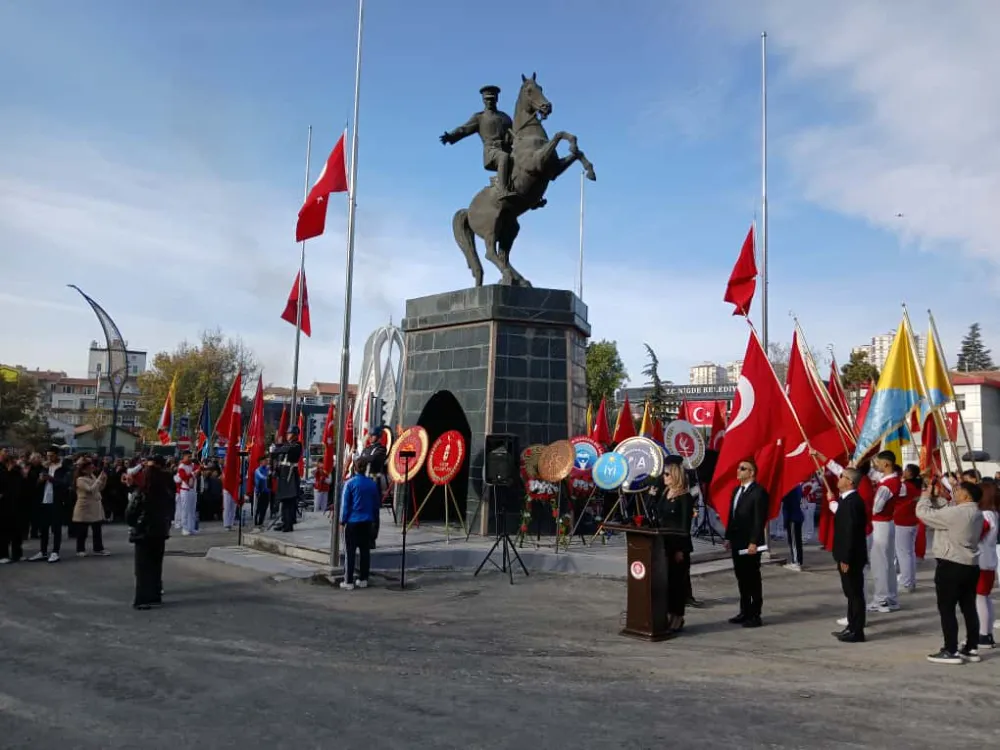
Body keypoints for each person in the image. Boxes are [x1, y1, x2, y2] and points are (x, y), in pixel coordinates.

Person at [918, 478, 984, 664]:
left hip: (951, 563)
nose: (954, 492)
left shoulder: (957, 513)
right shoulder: (975, 512)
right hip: (969, 565)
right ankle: (971, 647)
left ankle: (951, 649)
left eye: (957, 490)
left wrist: (924, 497)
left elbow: (923, 513)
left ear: (965, 495)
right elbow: (946, 510)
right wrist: (937, 498)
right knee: (968, 608)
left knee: (947, 609)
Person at [440, 85, 517, 201]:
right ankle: (502, 190)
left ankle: (535, 196)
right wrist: (451, 136)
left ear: (497, 99)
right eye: (487, 99)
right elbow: (464, 129)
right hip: (492, 152)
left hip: (507, 150)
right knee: (504, 157)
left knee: (525, 160)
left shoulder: (505, 117)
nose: (489, 101)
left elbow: (514, 135)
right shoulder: (479, 118)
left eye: (492, 98)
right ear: (483, 100)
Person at [126, 457, 175, 610]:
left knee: (142, 568)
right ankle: (155, 595)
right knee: (155, 565)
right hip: (160, 532)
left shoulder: (141, 492)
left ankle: (142, 598)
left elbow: (130, 514)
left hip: (143, 533)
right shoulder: (166, 493)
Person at [725, 458, 768, 628]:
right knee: (741, 577)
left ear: (751, 473)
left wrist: (753, 542)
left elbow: (759, 520)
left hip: (750, 544)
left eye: (743, 468)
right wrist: (728, 537)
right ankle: (744, 611)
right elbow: (732, 515)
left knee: (752, 578)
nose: (738, 471)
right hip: (737, 540)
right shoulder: (737, 490)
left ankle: (755, 614)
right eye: (738, 467)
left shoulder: (759, 492)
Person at [655, 457, 694, 633]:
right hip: (663, 544)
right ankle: (667, 613)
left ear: (675, 475)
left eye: (667, 474)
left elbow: (685, 526)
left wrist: (681, 549)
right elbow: (658, 514)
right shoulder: (665, 492)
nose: (664, 477)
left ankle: (678, 616)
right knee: (666, 583)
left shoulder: (684, 497)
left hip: (678, 545)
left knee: (677, 583)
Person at [831, 468, 869, 643]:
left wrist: (846, 557)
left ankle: (857, 630)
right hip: (845, 554)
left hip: (851, 557)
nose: (839, 479)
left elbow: (850, 532)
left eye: (842, 476)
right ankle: (851, 626)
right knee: (850, 593)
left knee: (855, 594)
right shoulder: (846, 500)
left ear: (850, 482)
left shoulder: (853, 502)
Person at [339, 457, 381, 590]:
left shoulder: (350, 484)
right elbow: (376, 506)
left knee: (350, 552)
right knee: (365, 552)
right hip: (367, 522)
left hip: (352, 522)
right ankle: (363, 579)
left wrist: (342, 521)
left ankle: (348, 581)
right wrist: (375, 522)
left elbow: (345, 505)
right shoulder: (372, 484)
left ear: (354, 468)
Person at [30, 448, 65, 563]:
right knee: (43, 528)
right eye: (47, 456)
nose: (49, 458)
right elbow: (36, 484)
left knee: (56, 528)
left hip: (56, 501)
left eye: (51, 456)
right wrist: (40, 480)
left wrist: (51, 479)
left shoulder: (62, 468)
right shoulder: (44, 467)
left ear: (57, 455)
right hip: (44, 501)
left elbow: (64, 484)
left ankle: (55, 552)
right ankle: (43, 551)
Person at [975, 480, 998, 648]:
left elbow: (975, 535)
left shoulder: (984, 515)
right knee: (985, 598)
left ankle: (983, 634)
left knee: (980, 598)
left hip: (981, 561)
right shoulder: (993, 513)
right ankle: (987, 633)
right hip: (988, 560)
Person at [73, 458, 109, 556]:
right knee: (82, 531)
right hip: (84, 507)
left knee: (97, 529)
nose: (92, 469)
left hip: (95, 506)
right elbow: (90, 489)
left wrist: (103, 480)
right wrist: (98, 480)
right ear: (84, 469)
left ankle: (98, 548)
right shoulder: (80, 479)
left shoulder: (92, 476)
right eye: (90, 467)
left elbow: (99, 488)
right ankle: (80, 549)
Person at [895, 464, 922, 593]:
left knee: (904, 554)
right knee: (909, 553)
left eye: (906, 470)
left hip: (902, 522)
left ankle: (907, 582)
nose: (903, 472)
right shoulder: (916, 486)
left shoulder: (904, 486)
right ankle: (910, 580)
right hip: (911, 522)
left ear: (910, 474)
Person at [272, 425, 303, 532]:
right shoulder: (287, 445)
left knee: (289, 501)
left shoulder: (296, 445)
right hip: (284, 475)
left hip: (290, 475)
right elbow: (277, 455)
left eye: (289, 434)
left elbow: (282, 449)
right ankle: (284, 521)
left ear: (294, 435)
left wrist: (277, 447)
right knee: (284, 501)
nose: (287, 435)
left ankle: (288, 524)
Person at [781, 485, 805, 571]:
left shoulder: (790, 488)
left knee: (794, 541)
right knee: (797, 541)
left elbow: (787, 503)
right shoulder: (797, 486)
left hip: (793, 517)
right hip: (797, 516)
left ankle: (796, 562)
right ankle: (798, 560)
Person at [175, 450, 197, 536]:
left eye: (190, 456)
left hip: (192, 490)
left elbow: (198, 470)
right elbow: (183, 477)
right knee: (185, 510)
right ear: (184, 456)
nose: (190, 458)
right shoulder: (181, 466)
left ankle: (191, 528)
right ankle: (184, 528)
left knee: (192, 510)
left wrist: (200, 467)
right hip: (185, 490)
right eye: (188, 456)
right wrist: (192, 473)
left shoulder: (192, 465)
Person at [252, 457, 271, 529]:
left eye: (266, 461)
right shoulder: (258, 470)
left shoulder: (267, 469)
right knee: (258, 508)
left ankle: (261, 522)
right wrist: (268, 476)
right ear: (260, 462)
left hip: (267, 491)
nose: (266, 462)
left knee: (265, 507)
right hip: (259, 492)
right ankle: (256, 522)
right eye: (264, 461)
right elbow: (262, 477)